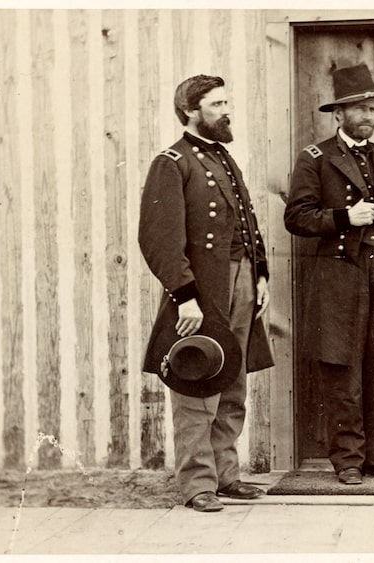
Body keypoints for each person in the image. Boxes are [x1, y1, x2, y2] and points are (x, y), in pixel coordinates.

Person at [284, 63, 374, 485]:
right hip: (340, 276)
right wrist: (346, 216)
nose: (367, 116)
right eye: (358, 109)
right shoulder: (315, 158)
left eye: (372, 109)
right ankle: (347, 460)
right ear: (338, 115)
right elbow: (297, 217)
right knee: (342, 367)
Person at [139, 74, 274, 512]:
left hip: (241, 283)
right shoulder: (171, 162)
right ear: (191, 112)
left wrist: (260, 276)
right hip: (203, 290)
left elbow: (246, 224)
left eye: (225, 102)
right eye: (217, 104)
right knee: (197, 382)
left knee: (232, 380)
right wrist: (185, 296)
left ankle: (226, 476)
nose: (225, 110)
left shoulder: (223, 158)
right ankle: (198, 484)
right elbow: (159, 239)